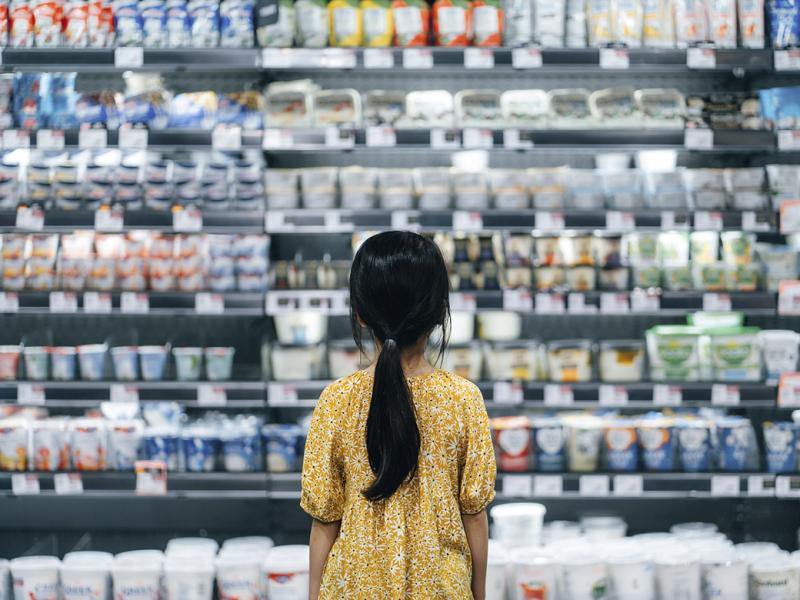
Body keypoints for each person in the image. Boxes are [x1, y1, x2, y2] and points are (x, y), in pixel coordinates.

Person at [301, 230, 496, 599]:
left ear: (359, 314)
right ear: (439, 312)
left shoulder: (336, 400)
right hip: (440, 589)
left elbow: (324, 518)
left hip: (355, 588)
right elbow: (474, 514)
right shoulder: (463, 399)